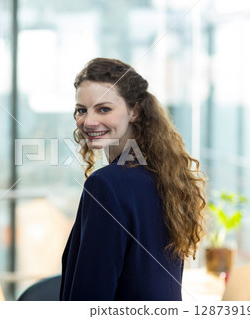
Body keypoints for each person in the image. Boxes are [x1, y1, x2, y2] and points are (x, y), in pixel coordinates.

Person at [60, 58, 206, 301]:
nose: (89, 121)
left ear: (134, 111)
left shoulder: (105, 184)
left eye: (104, 109)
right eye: (82, 110)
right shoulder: (166, 177)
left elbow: (90, 298)